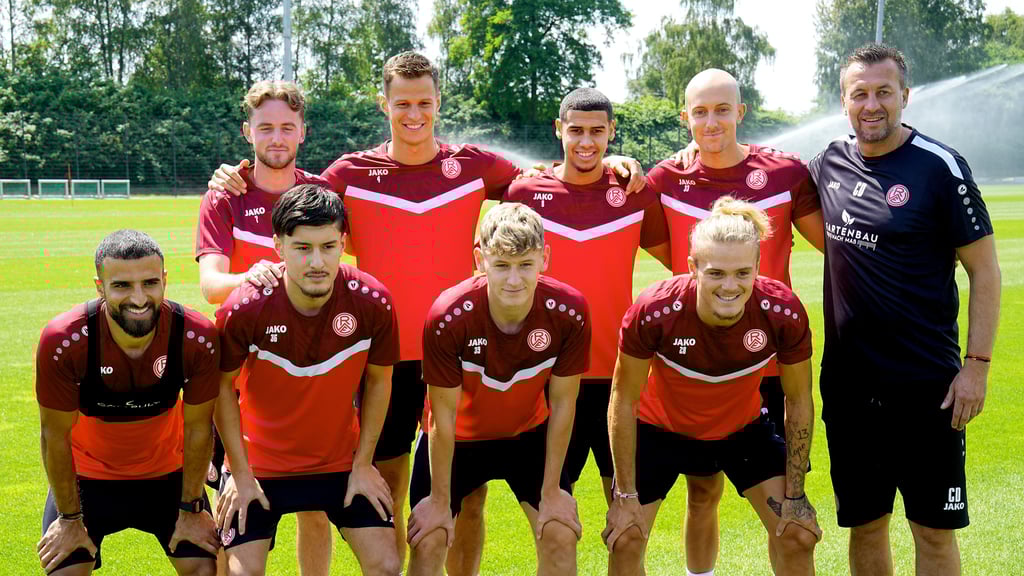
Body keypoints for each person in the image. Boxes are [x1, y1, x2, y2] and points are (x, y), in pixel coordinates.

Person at [206, 51, 644, 574]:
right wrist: (235, 177)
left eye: (424, 102)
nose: (413, 114)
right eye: (402, 103)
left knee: (468, 494)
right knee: (385, 485)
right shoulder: (348, 172)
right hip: (378, 358)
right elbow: (295, 205)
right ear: (383, 104)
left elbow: (549, 180)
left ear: (438, 102)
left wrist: (615, 165)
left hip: (463, 356)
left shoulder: (478, 166)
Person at [806, 43, 1000, 576]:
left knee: (933, 532)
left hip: (927, 388)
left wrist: (977, 368)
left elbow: (985, 271)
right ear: (843, 101)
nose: (872, 105)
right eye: (859, 94)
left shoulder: (941, 167)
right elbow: (756, 178)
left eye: (883, 93)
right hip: (848, 387)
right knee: (866, 525)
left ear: (905, 97)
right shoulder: (827, 162)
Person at [648, 68, 824, 575]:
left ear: (741, 113)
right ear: (684, 117)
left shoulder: (786, 172)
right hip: (695, 369)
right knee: (702, 491)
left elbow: (837, 247)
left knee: (786, 510)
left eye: (722, 109)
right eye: (700, 111)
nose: (711, 121)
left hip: (772, 367)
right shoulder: (664, 179)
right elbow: (664, 255)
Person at [603, 197, 821, 576]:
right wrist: (624, 496)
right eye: (716, 273)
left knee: (797, 534)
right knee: (626, 538)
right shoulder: (655, 311)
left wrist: (796, 495)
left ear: (757, 267)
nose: (730, 286)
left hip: (742, 431)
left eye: (742, 273)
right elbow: (623, 398)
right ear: (693, 268)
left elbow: (799, 400)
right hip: (661, 431)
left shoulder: (782, 311)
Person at [212, 184, 399, 576]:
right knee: (241, 573)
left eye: (328, 246)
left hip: (337, 463)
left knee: (385, 565)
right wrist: (240, 475)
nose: (317, 261)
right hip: (260, 465)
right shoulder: (246, 307)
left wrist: (364, 464)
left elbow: (380, 382)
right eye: (302, 248)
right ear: (278, 245)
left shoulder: (372, 301)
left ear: (343, 243)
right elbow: (220, 389)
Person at [505, 87, 670, 508]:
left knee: (627, 513)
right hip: (549, 374)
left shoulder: (634, 194)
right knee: (554, 513)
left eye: (597, 131)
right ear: (559, 129)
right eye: (575, 130)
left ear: (612, 132)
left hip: (620, 375)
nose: (586, 141)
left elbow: (682, 264)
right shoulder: (524, 195)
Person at [194, 80, 334, 576]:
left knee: (316, 506)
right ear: (246, 130)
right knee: (233, 499)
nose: (277, 137)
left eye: (287, 127)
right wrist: (250, 276)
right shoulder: (225, 196)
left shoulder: (321, 194)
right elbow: (211, 285)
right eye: (266, 127)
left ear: (303, 133)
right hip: (238, 368)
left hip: (311, 363)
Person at [406, 203, 590, 576]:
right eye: (501, 265)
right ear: (479, 259)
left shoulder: (570, 311)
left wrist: (553, 491)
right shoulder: (448, 315)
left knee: (560, 534)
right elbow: (441, 415)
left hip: (526, 435)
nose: (513, 280)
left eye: (525, 264)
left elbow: (564, 402)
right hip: (458, 437)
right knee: (429, 540)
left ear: (545, 258)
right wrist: (440, 501)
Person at [36, 229, 221, 575]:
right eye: (121, 285)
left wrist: (192, 508)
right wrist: (69, 519)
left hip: (169, 475)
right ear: (99, 286)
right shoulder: (64, 340)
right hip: (87, 479)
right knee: (63, 570)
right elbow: (54, 437)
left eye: (150, 283)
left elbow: (199, 427)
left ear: (165, 280)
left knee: (207, 568)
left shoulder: (195, 336)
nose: (139, 298)